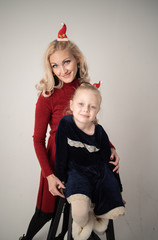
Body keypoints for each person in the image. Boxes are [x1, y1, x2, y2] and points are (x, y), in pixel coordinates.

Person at [19, 24, 121, 240]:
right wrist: (49, 175)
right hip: (57, 161)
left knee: (82, 207)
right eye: (55, 65)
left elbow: (91, 126)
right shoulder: (48, 96)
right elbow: (38, 139)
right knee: (46, 212)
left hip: (85, 159)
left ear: (77, 60)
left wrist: (111, 148)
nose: (62, 70)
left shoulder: (85, 90)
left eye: (66, 62)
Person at [55, 83, 125, 240]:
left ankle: (97, 216)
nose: (86, 109)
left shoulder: (99, 132)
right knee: (79, 213)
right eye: (81, 104)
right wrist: (59, 178)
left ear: (97, 111)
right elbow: (60, 155)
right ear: (72, 105)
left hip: (98, 172)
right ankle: (85, 222)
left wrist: (118, 188)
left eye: (92, 106)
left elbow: (109, 162)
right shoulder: (66, 124)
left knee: (111, 202)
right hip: (75, 172)